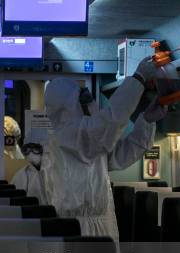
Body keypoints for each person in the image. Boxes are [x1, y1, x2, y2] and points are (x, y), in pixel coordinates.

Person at [43, 57, 167, 240]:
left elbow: (120, 156)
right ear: (68, 105)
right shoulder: (69, 134)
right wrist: (138, 79)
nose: (88, 102)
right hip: (79, 230)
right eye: (82, 99)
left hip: (98, 223)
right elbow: (111, 120)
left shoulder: (85, 140)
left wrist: (147, 121)